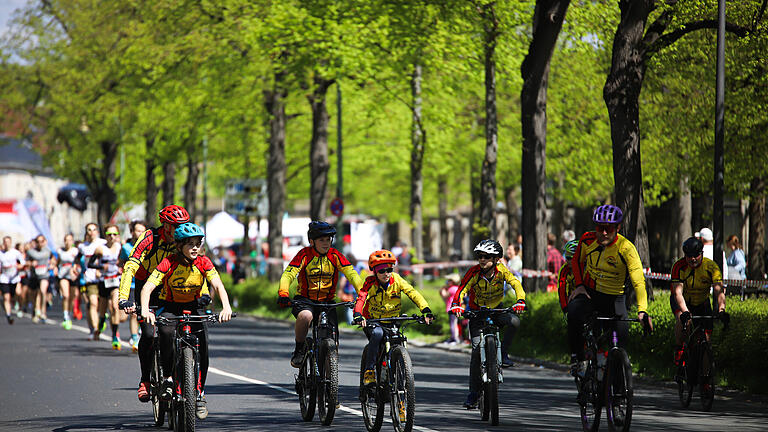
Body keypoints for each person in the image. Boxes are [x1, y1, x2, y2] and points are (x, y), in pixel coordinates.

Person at [140, 222, 233, 420]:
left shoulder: (204, 262)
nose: (195, 248)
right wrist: (147, 310)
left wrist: (226, 307)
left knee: (204, 345)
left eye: (198, 243)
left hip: (195, 306)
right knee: (165, 332)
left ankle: (199, 394)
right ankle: (167, 378)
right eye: (190, 244)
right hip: (170, 306)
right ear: (179, 246)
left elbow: (218, 284)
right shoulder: (169, 262)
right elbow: (147, 287)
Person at [568, 205, 653, 376]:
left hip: (615, 298)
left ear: (618, 228)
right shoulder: (587, 240)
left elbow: (638, 281)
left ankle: (619, 383)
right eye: (600, 228)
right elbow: (576, 262)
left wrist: (642, 310)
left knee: (621, 341)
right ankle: (578, 358)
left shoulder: (626, 248)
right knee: (573, 313)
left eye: (609, 229)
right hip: (591, 293)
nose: (604, 233)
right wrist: (579, 286)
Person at [118, 204, 190, 403]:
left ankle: (181, 375)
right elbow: (130, 266)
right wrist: (124, 297)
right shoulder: (150, 238)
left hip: (170, 285)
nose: (179, 229)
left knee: (175, 328)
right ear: (164, 225)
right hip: (145, 286)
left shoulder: (185, 238)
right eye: (175, 225)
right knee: (149, 333)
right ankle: (145, 380)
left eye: (183, 224)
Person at [450, 239, 527, 409]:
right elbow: (462, 289)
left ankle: (504, 354)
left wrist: (520, 300)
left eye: (486, 257)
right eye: (480, 256)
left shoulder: (502, 271)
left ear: (497, 259)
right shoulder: (474, 272)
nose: (482, 259)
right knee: (476, 352)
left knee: (514, 321)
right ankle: (473, 393)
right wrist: (456, 304)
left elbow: (515, 283)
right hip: (477, 313)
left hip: (497, 309)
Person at [277, 220, 363, 368]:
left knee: (333, 344)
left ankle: (328, 372)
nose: (326, 243)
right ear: (312, 241)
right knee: (306, 316)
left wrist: (362, 294)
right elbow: (288, 275)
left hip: (327, 302)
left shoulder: (335, 255)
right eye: (321, 240)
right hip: (305, 299)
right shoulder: (304, 254)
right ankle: (299, 349)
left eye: (328, 240)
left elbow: (352, 274)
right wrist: (283, 293)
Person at [354, 250, 434, 385]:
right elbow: (361, 298)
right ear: (374, 271)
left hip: (393, 321)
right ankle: (370, 371)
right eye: (381, 271)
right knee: (377, 334)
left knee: (398, 339)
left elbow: (412, 293)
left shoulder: (397, 279)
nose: (386, 273)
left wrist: (425, 309)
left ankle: (398, 369)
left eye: (389, 269)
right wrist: (357, 314)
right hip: (374, 321)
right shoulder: (369, 282)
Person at [670, 237, 729, 366]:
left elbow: (719, 291)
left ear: (701, 253)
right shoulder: (678, 267)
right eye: (689, 256)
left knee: (706, 342)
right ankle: (680, 349)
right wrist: (685, 311)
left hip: (702, 301)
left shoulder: (711, 267)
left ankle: (706, 379)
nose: (693, 259)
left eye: (696, 255)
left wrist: (721, 310)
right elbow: (677, 293)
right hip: (682, 300)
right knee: (683, 320)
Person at [90, 224, 124, 350]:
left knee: (115, 307)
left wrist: (121, 267)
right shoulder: (100, 249)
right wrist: (100, 267)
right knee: (103, 309)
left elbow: (125, 261)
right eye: (109, 234)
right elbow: (90, 264)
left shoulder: (120, 248)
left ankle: (115, 336)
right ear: (105, 235)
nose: (112, 237)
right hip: (104, 281)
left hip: (115, 280)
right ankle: (101, 321)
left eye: (115, 234)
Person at [72, 223, 106, 338]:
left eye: (94, 229)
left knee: (101, 305)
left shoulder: (103, 243)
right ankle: (95, 329)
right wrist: (75, 268)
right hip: (89, 278)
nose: (91, 232)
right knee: (92, 303)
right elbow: (77, 258)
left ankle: (100, 321)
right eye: (89, 230)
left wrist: (100, 269)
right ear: (86, 232)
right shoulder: (83, 246)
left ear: (97, 231)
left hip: (102, 278)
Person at [118, 220, 147, 351]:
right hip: (131, 284)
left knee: (143, 312)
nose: (140, 233)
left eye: (142, 230)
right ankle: (135, 338)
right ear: (132, 232)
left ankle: (138, 335)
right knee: (131, 314)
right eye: (137, 230)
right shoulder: (126, 248)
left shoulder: (149, 247)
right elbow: (120, 262)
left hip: (145, 285)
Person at [27, 235, 53, 323]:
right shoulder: (31, 252)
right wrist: (31, 263)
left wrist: (52, 265)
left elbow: (54, 259)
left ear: (45, 242)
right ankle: (35, 309)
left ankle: (43, 311)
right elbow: (25, 262)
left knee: (43, 291)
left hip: (44, 274)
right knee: (34, 295)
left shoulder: (48, 251)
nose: (40, 243)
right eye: (38, 241)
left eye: (42, 241)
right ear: (36, 242)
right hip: (34, 275)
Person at [0, 236, 25, 324]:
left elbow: (23, 263)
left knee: (18, 294)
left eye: (8, 242)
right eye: (5, 242)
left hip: (14, 278)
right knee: (6, 298)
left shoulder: (16, 253)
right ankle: (8, 315)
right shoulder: (1, 254)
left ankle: (20, 307)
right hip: (4, 278)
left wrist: (18, 266)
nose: (6, 244)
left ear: (10, 243)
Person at [57, 234, 79, 330]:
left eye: (70, 240)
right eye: (66, 240)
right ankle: (65, 315)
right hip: (63, 275)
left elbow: (79, 262)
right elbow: (57, 262)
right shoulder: (60, 251)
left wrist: (76, 268)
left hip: (73, 275)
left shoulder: (76, 251)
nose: (67, 242)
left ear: (72, 241)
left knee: (72, 296)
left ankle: (69, 312)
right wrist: (54, 267)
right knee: (65, 295)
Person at [338, 253, 365, 324]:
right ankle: (357, 321)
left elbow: (343, 280)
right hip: (357, 289)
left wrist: (340, 290)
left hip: (349, 291)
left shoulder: (346, 268)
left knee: (349, 308)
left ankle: (350, 323)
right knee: (357, 306)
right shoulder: (357, 267)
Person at [557, 240, 579, 317]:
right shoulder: (564, 269)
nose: (567, 261)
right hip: (572, 301)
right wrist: (565, 308)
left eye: (570, 258)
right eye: (566, 258)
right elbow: (562, 290)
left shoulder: (586, 267)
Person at [440, 273, 461, 344]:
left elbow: (444, 295)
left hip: (452, 309)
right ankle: (453, 338)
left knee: (453, 324)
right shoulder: (456, 288)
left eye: (449, 280)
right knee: (454, 323)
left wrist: (443, 289)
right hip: (455, 309)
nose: (447, 282)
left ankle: (455, 339)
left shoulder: (452, 289)